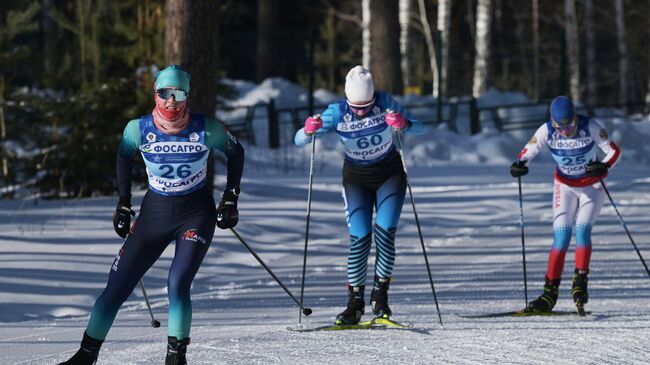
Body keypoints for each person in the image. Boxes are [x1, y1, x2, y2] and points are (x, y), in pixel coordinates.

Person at [59, 65, 244, 365]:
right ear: (155, 94)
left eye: (178, 93)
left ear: (187, 96)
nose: (171, 101)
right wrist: (123, 203)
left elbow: (237, 153)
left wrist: (230, 198)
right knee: (116, 287)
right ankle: (85, 355)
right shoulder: (138, 129)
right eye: (164, 93)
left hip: (195, 214)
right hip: (154, 214)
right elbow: (122, 157)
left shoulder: (206, 128)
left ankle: (175, 358)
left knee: (177, 282)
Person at [294, 65, 423, 325]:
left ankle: (381, 297)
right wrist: (308, 130)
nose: (361, 111)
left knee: (385, 232)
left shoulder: (385, 102)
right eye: (356, 106)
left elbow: (418, 127)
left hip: (390, 175)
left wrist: (403, 123)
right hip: (356, 179)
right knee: (360, 237)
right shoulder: (337, 112)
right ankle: (354, 303)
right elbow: (299, 140)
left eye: (366, 105)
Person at [510, 95, 621, 312]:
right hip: (565, 186)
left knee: (582, 230)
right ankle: (549, 293)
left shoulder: (589, 126)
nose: (566, 131)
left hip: (592, 187)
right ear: (552, 122)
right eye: (559, 126)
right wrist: (519, 165)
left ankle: (580, 283)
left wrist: (603, 167)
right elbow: (526, 153)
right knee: (560, 238)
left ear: (575, 118)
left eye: (570, 124)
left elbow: (613, 151)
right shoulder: (546, 131)